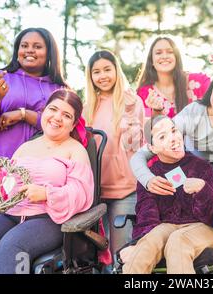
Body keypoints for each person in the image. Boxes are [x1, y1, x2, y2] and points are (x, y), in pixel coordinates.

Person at [0, 89, 93, 274]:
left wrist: (47, 194)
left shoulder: (75, 150)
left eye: (66, 115)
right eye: (52, 109)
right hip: (11, 214)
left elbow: (82, 192)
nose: (57, 117)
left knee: (11, 247)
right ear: (44, 111)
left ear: (73, 124)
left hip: (48, 218)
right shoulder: (25, 147)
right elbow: (6, 188)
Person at [131, 63, 213, 229]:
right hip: (188, 175)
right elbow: (141, 154)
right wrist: (148, 180)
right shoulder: (195, 112)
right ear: (212, 88)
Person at [0, 27, 66, 214]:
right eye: (24, 45)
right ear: (17, 50)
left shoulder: (59, 88)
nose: (29, 50)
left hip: (35, 177)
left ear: (49, 52)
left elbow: (62, 127)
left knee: (18, 236)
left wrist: (24, 114)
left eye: (37, 46)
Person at [122, 115, 213, 274]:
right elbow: (146, 215)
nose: (173, 138)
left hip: (204, 227)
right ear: (153, 148)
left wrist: (202, 189)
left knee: (178, 240)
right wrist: (137, 244)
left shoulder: (202, 167)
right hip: (168, 226)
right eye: (162, 136)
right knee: (149, 242)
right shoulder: (151, 176)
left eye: (174, 131)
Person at [83, 50, 144, 266]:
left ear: (116, 71)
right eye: (96, 72)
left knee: (121, 253)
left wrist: (128, 113)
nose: (103, 76)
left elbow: (135, 145)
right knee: (99, 255)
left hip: (124, 189)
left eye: (107, 69)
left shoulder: (132, 101)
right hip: (95, 191)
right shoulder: (87, 107)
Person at [137, 36, 213, 118]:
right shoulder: (144, 93)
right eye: (158, 53)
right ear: (151, 61)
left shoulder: (198, 82)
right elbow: (146, 131)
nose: (164, 56)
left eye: (170, 52)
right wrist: (156, 112)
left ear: (176, 57)